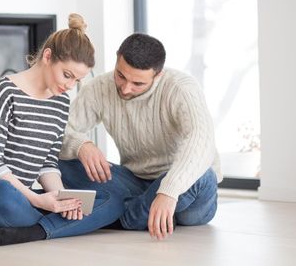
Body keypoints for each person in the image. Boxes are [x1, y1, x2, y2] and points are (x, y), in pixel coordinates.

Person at [0, 14, 123, 246]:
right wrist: (40, 201)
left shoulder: (60, 103)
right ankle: (56, 226)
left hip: (25, 196)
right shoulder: (4, 90)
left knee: (113, 200)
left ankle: (34, 230)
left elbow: (47, 162)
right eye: (67, 75)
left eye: (77, 81)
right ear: (48, 56)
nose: (69, 86)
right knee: (0, 192)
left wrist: (63, 199)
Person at [59, 33, 223, 241]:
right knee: (61, 161)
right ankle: (136, 212)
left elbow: (202, 140)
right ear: (117, 57)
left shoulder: (181, 88)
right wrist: (81, 144)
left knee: (204, 175)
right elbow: (58, 131)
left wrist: (169, 191)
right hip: (134, 182)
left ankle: (122, 218)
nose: (126, 88)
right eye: (121, 75)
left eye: (137, 83)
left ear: (158, 75)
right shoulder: (99, 87)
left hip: (184, 195)